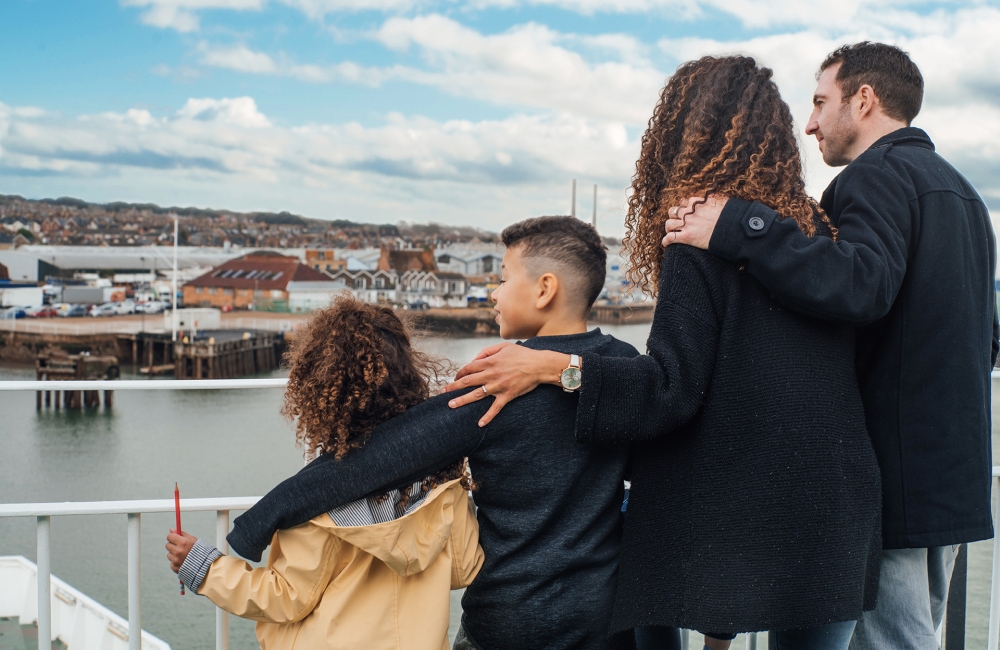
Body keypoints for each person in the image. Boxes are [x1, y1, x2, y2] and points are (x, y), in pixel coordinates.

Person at [443, 55, 883, 649]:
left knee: (643, 595)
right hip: (833, 508)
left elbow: (672, 390)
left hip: (734, 519)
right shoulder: (813, 230)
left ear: (680, 136)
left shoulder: (696, 234)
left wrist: (559, 367)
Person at [655, 42, 999, 649]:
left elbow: (859, 284)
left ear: (864, 100)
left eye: (820, 102)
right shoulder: (965, 196)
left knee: (888, 640)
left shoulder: (876, 176)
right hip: (951, 475)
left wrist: (740, 226)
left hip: (890, 477)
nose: (809, 122)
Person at [223, 216, 641, 650]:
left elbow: (378, 458)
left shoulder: (493, 383)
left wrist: (257, 524)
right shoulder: (624, 370)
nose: (493, 293)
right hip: (603, 616)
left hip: (511, 616)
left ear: (544, 289)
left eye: (501, 279)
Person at [164, 297, 483, 650]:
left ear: (321, 391)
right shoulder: (443, 481)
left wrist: (203, 567)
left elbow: (285, 598)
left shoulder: (318, 499)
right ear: (409, 379)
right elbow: (464, 569)